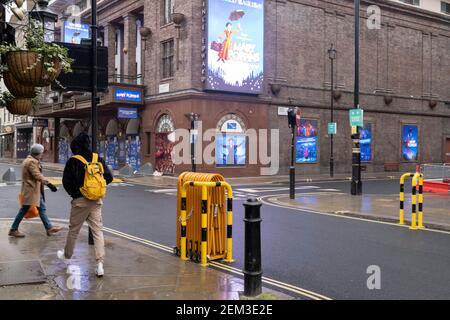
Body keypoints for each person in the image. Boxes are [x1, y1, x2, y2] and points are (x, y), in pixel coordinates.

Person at [58, 133, 113, 277]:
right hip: (96, 201)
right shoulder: (97, 158)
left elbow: (66, 182)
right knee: (97, 231)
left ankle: (67, 257)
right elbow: (109, 177)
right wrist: (96, 189)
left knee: (74, 231)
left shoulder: (73, 161)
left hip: (80, 202)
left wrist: (76, 194)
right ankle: (100, 264)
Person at [8, 144, 62, 237]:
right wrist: (49, 184)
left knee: (42, 208)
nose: (42, 155)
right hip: (31, 190)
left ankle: (49, 228)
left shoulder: (30, 160)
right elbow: (37, 175)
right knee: (24, 209)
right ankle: (13, 229)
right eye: (41, 153)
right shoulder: (32, 162)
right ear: (38, 153)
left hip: (34, 190)